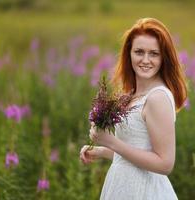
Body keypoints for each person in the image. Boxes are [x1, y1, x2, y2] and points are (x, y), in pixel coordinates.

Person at [80, 17, 187, 200]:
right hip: (124, 186)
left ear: (163, 58)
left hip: (145, 191)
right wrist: (102, 150)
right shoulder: (133, 94)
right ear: (129, 53)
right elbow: (137, 149)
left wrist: (111, 142)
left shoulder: (157, 98)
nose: (146, 60)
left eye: (154, 53)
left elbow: (165, 163)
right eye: (139, 51)